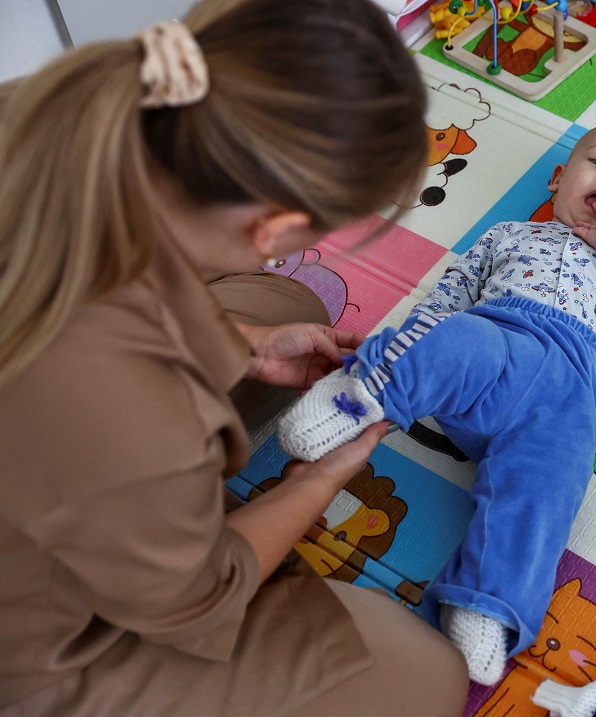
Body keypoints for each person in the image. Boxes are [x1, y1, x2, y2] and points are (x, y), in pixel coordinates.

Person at [0, 1, 471, 715]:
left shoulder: (47, 107)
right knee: (423, 669)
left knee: (289, 309)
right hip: (31, 636)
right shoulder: (123, 407)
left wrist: (241, 342)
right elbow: (197, 598)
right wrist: (317, 481)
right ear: (274, 226)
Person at [278, 122, 596, 685]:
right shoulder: (508, 235)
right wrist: (409, 353)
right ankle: (359, 397)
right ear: (558, 180)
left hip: (567, 384)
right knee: (454, 340)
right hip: (498, 337)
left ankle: (485, 600)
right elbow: (446, 301)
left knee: (556, 482)